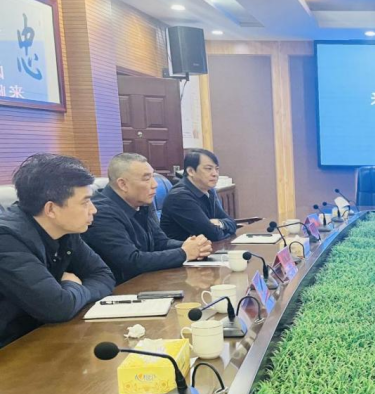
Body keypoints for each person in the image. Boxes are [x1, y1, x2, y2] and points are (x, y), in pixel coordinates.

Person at [0, 154, 115, 348]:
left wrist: (71, 291)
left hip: (43, 336)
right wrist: (72, 285)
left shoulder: (65, 229)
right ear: (51, 209)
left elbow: (103, 275)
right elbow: (58, 308)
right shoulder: (7, 239)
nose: (93, 210)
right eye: (85, 202)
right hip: (11, 349)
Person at [82, 153, 213, 284]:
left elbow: (160, 242)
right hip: (121, 289)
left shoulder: (142, 203)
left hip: (149, 281)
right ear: (123, 184)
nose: (154, 184)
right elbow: (131, 261)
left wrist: (194, 246)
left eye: (153, 177)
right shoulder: (101, 212)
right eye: (146, 179)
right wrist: (184, 253)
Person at [160, 149, 237, 241]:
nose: (215, 174)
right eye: (208, 169)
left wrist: (220, 223)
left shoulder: (208, 190)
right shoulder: (180, 197)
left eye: (216, 169)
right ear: (191, 171)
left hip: (210, 247)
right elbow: (213, 235)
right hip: (183, 249)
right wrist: (224, 228)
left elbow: (232, 223)